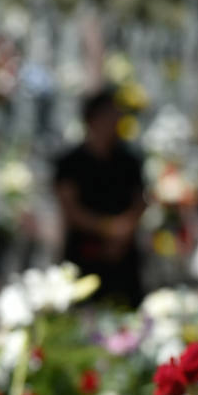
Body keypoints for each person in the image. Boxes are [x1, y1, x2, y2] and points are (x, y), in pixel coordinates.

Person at [53, 85, 147, 307]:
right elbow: (70, 208)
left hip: (124, 258)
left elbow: (139, 201)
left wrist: (123, 231)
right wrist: (108, 229)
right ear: (92, 119)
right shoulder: (71, 162)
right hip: (85, 252)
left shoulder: (129, 161)